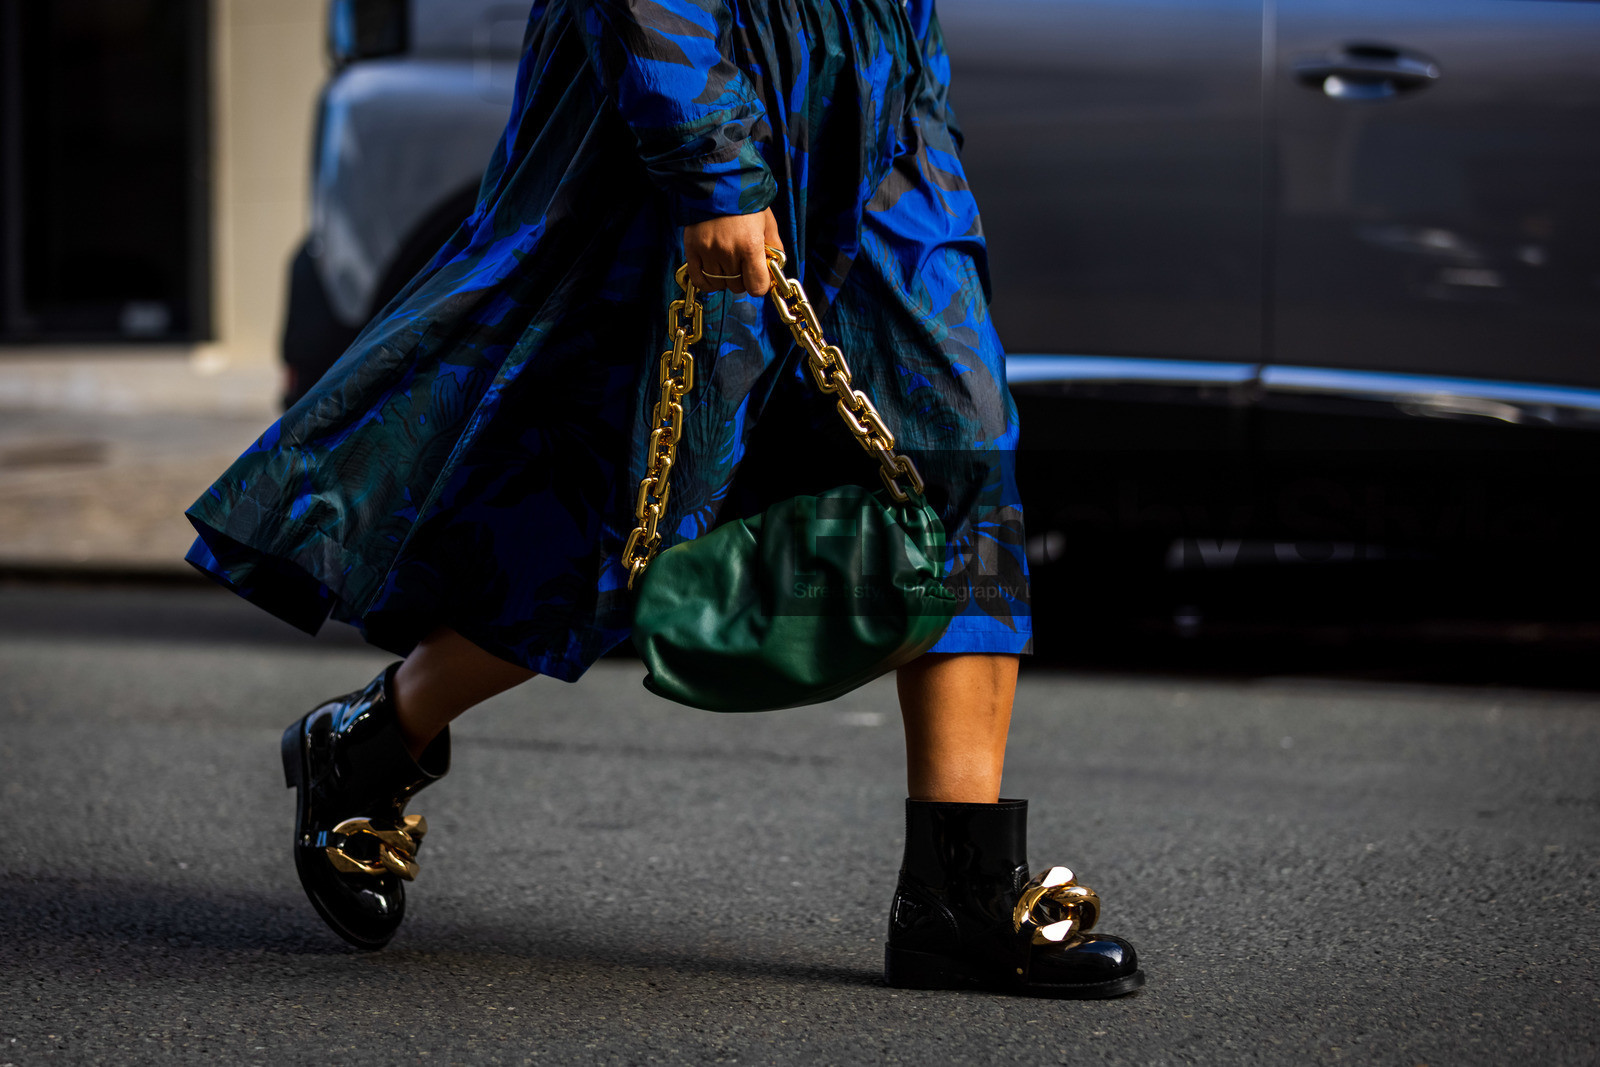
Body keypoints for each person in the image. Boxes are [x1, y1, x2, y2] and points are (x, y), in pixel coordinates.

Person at [186, 0, 1142, 998]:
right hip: (696, 82)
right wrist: (712, 163)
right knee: (624, 496)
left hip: (880, 103)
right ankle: (377, 735)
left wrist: (913, 96)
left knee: (960, 450)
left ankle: (960, 900)